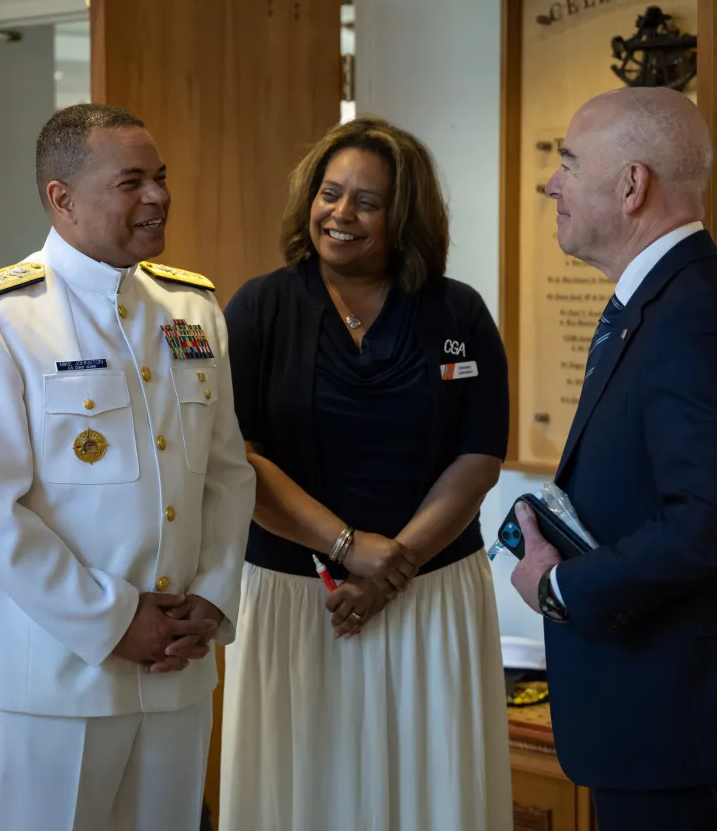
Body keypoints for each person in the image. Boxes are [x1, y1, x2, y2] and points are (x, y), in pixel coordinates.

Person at [0, 103, 256, 831]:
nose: (159, 197)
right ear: (62, 198)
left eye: (161, 178)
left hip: (179, 666)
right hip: (55, 675)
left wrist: (213, 597)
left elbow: (228, 472)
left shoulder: (192, 307)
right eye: (132, 181)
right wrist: (114, 619)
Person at [509, 87, 717, 831]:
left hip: (678, 710)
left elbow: (709, 526)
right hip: (653, 703)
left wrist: (562, 586)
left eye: (569, 164)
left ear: (632, 184)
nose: (553, 183)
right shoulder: (663, 301)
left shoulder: (699, 315)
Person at [218, 116, 513, 831]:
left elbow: (477, 457)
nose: (340, 214)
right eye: (330, 193)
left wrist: (397, 560)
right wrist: (355, 549)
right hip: (299, 598)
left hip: (431, 591)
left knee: (432, 792)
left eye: (367, 202)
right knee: (304, 791)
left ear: (403, 215)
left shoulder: (458, 312)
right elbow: (239, 459)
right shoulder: (259, 308)